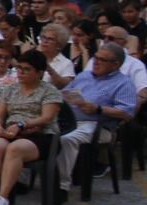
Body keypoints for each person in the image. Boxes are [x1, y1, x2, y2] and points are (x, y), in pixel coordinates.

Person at [0, 49, 63, 205]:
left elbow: (46, 118)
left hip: (41, 135)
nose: (21, 72)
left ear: (39, 72)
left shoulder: (49, 91)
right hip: (12, 132)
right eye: (19, 68)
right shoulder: (10, 89)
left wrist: (21, 125)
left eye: (26, 69)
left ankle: (3, 197)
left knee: (15, 148)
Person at [57, 41, 140, 183]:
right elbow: (63, 93)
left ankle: (60, 185)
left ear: (115, 64)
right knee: (36, 131)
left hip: (96, 125)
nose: (96, 62)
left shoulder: (123, 83)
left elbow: (127, 113)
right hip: (69, 120)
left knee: (66, 139)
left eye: (102, 60)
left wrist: (99, 108)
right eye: (96, 57)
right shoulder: (85, 76)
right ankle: (22, 181)